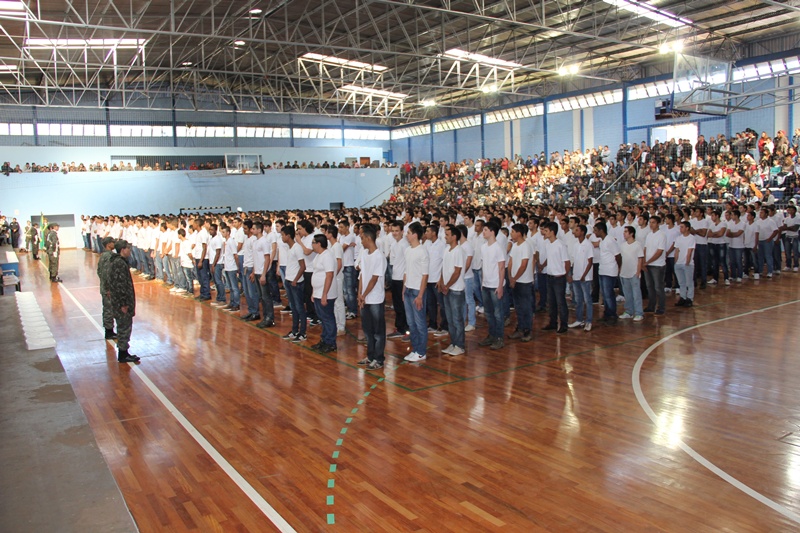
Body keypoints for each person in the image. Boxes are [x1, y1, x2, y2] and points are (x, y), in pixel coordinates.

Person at [357, 224, 387, 369]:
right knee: (367, 330)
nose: (361, 241)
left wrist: (364, 294)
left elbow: (375, 278)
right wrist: (360, 294)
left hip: (375, 298)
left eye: (362, 238)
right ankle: (370, 356)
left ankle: (379, 359)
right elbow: (363, 275)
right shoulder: (364, 254)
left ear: (369, 238)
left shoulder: (379, 256)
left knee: (378, 331)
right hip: (365, 297)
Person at [107, 240, 140, 363]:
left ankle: (123, 351)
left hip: (119, 301)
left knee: (123, 326)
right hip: (122, 302)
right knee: (124, 327)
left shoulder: (116, 261)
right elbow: (121, 285)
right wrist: (123, 303)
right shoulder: (119, 263)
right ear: (122, 250)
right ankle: (123, 353)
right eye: (128, 249)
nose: (129, 251)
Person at [403, 222, 430, 361]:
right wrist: (404, 289)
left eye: (408, 232)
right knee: (411, 323)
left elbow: (425, 275)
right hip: (408, 290)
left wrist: (420, 295)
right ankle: (415, 349)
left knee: (419, 323)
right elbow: (406, 271)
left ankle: (421, 351)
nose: (406, 235)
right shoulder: (408, 250)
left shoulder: (422, 251)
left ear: (415, 235)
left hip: (417, 292)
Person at [439, 224, 466, 356]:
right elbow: (444, 268)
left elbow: (457, 271)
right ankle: (453, 342)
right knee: (449, 319)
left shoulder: (459, 251)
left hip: (456, 290)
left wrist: (447, 285)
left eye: (448, 235)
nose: (445, 237)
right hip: (447, 289)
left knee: (457, 319)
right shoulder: (446, 250)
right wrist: (441, 282)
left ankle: (460, 345)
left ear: (454, 237)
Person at [479, 221, 506, 349]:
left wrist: (500, 286)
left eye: (485, 230)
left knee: (498, 313)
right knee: (488, 313)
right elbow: (484, 266)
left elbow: (501, 268)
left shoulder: (498, 247)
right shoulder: (484, 247)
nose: (483, 232)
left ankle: (499, 337)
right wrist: (483, 282)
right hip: (486, 284)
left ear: (492, 232)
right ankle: (491, 335)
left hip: (495, 285)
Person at [541, 221, 571, 333]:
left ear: (552, 232)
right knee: (551, 301)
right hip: (550, 276)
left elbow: (567, 262)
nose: (544, 233)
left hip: (559, 277)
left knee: (560, 301)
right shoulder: (548, 244)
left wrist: (565, 274)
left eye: (546, 231)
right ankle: (553, 322)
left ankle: (564, 324)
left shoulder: (560, 245)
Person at [311, 234, 338, 352]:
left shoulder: (327, 256)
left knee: (328, 318)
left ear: (319, 244)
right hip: (317, 292)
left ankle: (330, 342)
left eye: (313, 242)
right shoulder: (318, 255)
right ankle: (324, 340)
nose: (311, 245)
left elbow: (329, 275)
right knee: (322, 317)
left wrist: (324, 294)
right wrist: (313, 292)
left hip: (326, 293)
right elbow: (316, 273)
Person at [507, 223, 534, 342]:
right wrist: (510, 277)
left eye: (512, 232)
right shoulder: (515, 245)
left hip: (524, 281)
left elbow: (524, 265)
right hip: (515, 280)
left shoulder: (526, 246)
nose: (511, 234)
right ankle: (520, 328)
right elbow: (511, 262)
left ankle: (527, 330)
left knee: (526, 307)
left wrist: (514, 278)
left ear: (519, 233)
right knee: (518, 307)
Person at [280, 224, 307, 342]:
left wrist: (295, 280)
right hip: (289, 281)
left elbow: (303, 266)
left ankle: (303, 333)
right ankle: (295, 330)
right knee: (294, 308)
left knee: (300, 308)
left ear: (288, 236)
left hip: (296, 283)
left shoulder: (297, 248)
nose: (281, 237)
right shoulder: (290, 248)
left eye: (283, 235)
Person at [593, 222, 621, 324]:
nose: (594, 232)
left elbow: (618, 256)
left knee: (609, 294)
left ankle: (612, 315)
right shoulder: (603, 241)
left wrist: (619, 268)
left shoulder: (610, 240)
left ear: (601, 230)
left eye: (596, 230)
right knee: (605, 294)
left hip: (610, 270)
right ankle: (607, 313)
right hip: (603, 270)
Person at [568, 223, 594, 331]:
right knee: (578, 300)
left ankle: (589, 321)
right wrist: (573, 274)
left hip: (585, 277)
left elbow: (590, 261)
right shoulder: (575, 244)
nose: (575, 232)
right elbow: (574, 261)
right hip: (576, 276)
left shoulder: (588, 245)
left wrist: (583, 275)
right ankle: (579, 320)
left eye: (577, 230)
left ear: (582, 232)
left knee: (587, 300)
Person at [619, 226, 645, 321]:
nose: (624, 233)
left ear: (631, 234)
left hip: (634, 273)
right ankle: (629, 311)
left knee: (636, 294)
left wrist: (638, 272)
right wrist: (620, 271)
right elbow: (622, 259)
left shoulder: (637, 245)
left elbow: (640, 259)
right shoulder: (622, 245)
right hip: (624, 273)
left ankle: (639, 313)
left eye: (626, 232)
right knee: (627, 294)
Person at [643, 215, 667, 315]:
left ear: (658, 224)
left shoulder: (661, 235)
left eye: (653, 222)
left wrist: (648, 261)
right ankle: (651, 306)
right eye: (650, 222)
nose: (651, 224)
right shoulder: (649, 235)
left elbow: (659, 251)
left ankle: (661, 307)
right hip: (648, 264)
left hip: (657, 265)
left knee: (658, 287)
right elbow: (645, 248)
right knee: (649, 286)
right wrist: (644, 261)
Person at [96, 236, 118, 340]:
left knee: (108, 309)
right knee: (109, 309)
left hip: (106, 287)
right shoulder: (109, 256)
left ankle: (109, 330)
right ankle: (109, 331)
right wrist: (108, 288)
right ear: (108, 244)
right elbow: (105, 273)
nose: (114, 244)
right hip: (108, 288)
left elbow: (99, 272)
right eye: (112, 242)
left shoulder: (104, 256)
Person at [674, 221, 696, 307]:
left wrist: (687, 262)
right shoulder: (678, 238)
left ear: (687, 228)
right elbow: (677, 250)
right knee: (681, 282)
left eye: (682, 227)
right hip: (679, 263)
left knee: (689, 282)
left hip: (687, 264)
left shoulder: (691, 238)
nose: (680, 229)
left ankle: (690, 298)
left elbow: (690, 251)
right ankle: (682, 297)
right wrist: (676, 262)